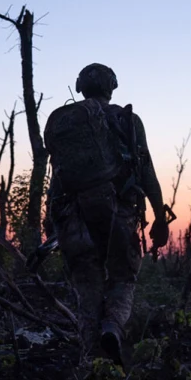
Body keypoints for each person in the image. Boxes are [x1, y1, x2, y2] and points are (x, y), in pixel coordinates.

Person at [43, 62, 170, 364]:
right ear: (112, 87)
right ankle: (112, 326)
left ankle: (89, 357)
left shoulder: (64, 123)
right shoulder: (128, 120)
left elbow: (56, 179)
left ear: (80, 87)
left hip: (73, 214)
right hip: (118, 213)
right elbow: (147, 171)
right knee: (123, 278)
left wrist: (52, 223)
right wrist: (160, 217)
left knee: (87, 282)